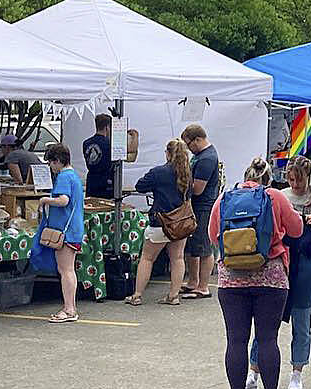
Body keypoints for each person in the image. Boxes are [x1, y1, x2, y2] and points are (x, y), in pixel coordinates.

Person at [210, 157, 304, 389]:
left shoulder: (225, 198)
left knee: (236, 340)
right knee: (267, 339)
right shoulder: (275, 196)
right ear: (268, 178)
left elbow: (212, 234)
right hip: (270, 277)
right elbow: (296, 230)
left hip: (231, 279)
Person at [246, 155, 311, 389]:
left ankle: (297, 372)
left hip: (308, 264)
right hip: (282, 260)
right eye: (290, 179)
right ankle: (253, 371)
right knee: (268, 319)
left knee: (302, 317)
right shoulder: (281, 195)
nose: (294, 184)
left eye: (299, 180)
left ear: (309, 177)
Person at [127, 138, 193, 305]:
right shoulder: (187, 173)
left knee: (147, 258)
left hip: (160, 222)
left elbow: (140, 186)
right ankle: (173, 295)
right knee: (177, 258)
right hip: (181, 222)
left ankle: (137, 295)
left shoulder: (158, 172)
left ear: (168, 154)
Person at [39, 144, 86, 325]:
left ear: (57, 161)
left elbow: (63, 200)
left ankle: (69, 308)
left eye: (51, 163)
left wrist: (45, 200)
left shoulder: (64, 177)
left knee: (65, 270)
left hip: (64, 231)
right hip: (73, 228)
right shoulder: (74, 176)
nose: (51, 167)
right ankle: (70, 307)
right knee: (68, 269)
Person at [182, 124, 221, 298]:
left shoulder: (207, 158)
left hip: (204, 207)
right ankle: (192, 282)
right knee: (193, 246)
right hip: (197, 207)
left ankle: (203, 286)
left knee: (204, 246)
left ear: (198, 139)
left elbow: (198, 188)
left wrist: (180, 184)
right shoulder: (200, 156)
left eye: (189, 144)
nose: (189, 149)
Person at [82, 114, 114, 199]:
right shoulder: (109, 144)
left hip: (91, 181)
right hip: (106, 183)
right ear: (107, 127)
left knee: (91, 208)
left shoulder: (86, 143)